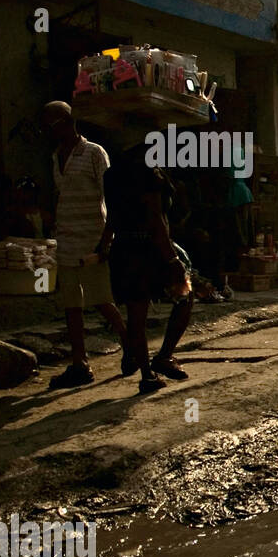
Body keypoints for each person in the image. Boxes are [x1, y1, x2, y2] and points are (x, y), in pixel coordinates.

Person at [102, 119, 194, 394]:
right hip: (149, 249)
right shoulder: (149, 173)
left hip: (124, 249)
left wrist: (104, 246)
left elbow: (114, 216)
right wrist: (172, 260)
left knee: (136, 314)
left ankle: (146, 374)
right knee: (185, 296)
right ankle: (164, 356)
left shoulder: (112, 174)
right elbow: (156, 220)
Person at [41, 101, 127, 388]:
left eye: (52, 125)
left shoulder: (93, 153)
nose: (50, 132)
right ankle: (80, 363)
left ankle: (131, 343)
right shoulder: (56, 156)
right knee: (71, 305)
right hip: (65, 238)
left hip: (91, 237)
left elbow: (112, 196)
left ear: (67, 121)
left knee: (101, 299)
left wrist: (106, 240)